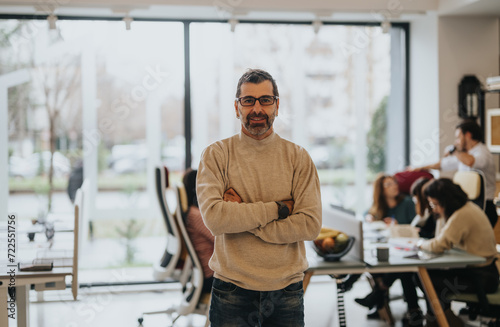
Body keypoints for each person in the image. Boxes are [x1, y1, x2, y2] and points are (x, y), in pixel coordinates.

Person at [196, 68, 322, 327]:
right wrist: (279, 209)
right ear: (236, 107)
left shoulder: (298, 158)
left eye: (265, 100)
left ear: (277, 105)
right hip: (231, 290)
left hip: (286, 291)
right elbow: (216, 220)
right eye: (248, 100)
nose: (257, 108)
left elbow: (309, 225)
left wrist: (242, 215)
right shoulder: (216, 155)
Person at [418, 178, 499, 327]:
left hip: (481, 278)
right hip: (477, 273)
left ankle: (441, 321)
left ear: (445, 201)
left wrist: (421, 245)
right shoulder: (465, 209)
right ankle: (442, 320)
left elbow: (439, 244)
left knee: (425, 278)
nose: (434, 209)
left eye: (435, 204)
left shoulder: (462, 214)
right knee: (427, 278)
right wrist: (441, 214)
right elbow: (440, 237)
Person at [355, 174, 422, 326]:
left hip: (407, 246)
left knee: (404, 269)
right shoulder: (380, 205)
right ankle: (410, 310)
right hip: (391, 248)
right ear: (381, 190)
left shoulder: (406, 202)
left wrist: (397, 225)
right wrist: (369, 217)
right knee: (378, 266)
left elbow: (415, 227)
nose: (394, 186)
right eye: (389, 184)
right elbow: (367, 213)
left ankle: (378, 296)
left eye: (394, 183)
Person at [413, 119, 498, 228]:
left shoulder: (482, 152)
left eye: (458, 137)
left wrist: (455, 151)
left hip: (485, 206)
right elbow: (441, 164)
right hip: (470, 205)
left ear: (467, 135)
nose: (456, 141)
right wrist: (418, 168)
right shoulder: (463, 155)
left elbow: (471, 162)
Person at [182, 169, 214, 294]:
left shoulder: (193, 213)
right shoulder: (196, 216)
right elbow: (221, 240)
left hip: (206, 274)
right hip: (210, 276)